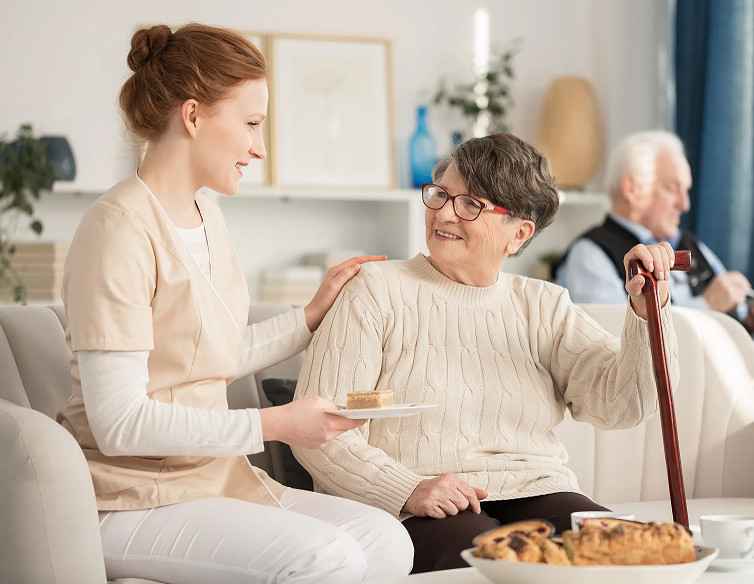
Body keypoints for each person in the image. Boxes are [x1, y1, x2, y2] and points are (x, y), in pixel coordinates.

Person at [55, 24, 413, 584]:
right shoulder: (117, 229)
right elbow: (119, 423)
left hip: (210, 478)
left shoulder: (207, 217)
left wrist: (309, 316)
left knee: (387, 540)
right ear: (193, 117)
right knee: (330, 557)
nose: (260, 147)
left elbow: (208, 357)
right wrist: (276, 424)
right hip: (129, 495)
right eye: (251, 124)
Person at [291, 133, 681, 572]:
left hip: (535, 488)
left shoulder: (544, 306)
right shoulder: (375, 289)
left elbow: (622, 406)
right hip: (415, 500)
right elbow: (319, 432)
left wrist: (649, 314)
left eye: (470, 205)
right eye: (440, 195)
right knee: (494, 563)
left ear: (518, 234)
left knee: (619, 554)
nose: (443, 213)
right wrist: (407, 489)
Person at [554, 130, 754, 390]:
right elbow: (614, 341)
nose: (685, 203)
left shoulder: (690, 244)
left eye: (687, 190)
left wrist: (752, 322)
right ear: (632, 188)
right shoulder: (591, 254)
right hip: (692, 383)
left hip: (733, 367)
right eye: (673, 188)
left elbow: (731, 309)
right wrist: (707, 306)